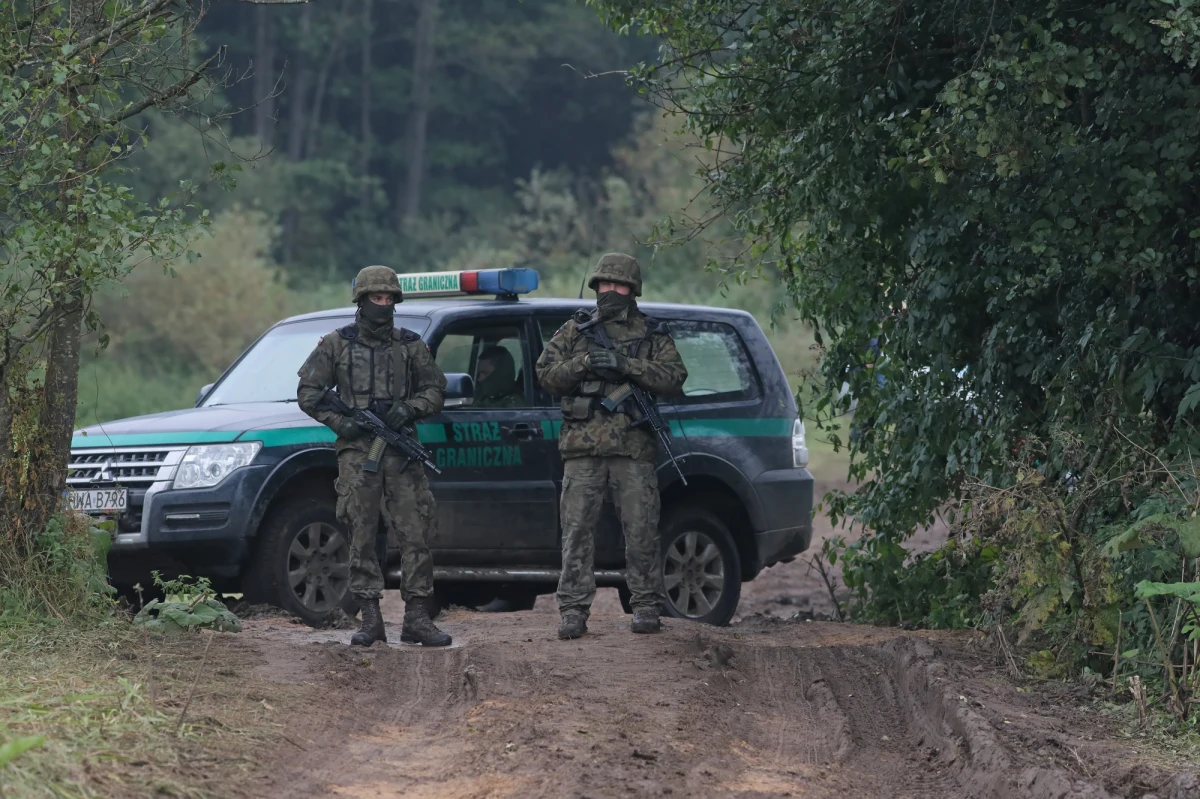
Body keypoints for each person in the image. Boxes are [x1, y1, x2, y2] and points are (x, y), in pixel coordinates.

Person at [296, 265, 452, 647]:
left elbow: (435, 390)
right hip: (357, 453)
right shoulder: (337, 344)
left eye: (388, 299)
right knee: (361, 532)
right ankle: (369, 617)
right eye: (375, 298)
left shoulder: (410, 345)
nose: (382, 305)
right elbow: (309, 393)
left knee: (415, 531)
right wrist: (341, 423)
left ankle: (417, 617)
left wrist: (410, 408)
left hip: (401, 452)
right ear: (361, 301)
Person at [535, 253, 688, 639]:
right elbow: (546, 374)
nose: (609, 291)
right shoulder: (575, 329)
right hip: (582, 449)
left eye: (618, 285)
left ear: (632, 290)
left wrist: (625, 365)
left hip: (632, 449)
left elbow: (674, 378)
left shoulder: (652, 333)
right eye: (604, 284)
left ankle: (646, 606)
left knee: (641, 530)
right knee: (576, 533)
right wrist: (584, 362)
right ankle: (573, 610)